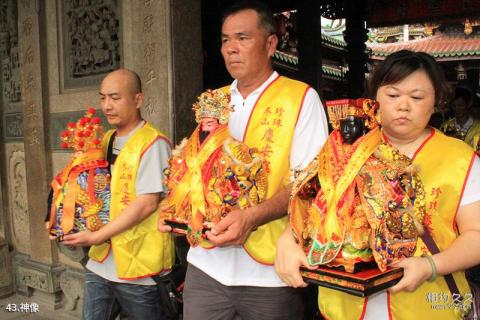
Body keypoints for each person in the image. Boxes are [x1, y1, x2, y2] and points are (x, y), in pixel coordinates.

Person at [276, 50, 480, 319]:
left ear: (436, 102)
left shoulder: (459, 158)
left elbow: (476, 235)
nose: (403, 106)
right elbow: (310, 207)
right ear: (375, 99)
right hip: (342, 308)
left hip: (427, 307)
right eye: (393, 95)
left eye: (417, 97)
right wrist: (286, 241)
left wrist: (431, 266)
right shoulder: (342, 148)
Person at [159, 1, 329, 319]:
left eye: (242, 38)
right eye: (225, 40)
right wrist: (175, 206)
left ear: (270, 43)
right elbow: (195, 170)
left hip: (269, 275)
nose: (231, 49)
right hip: (206, 268)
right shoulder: (214, 100)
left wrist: (251, 217)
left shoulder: (300, 98)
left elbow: (310, 184)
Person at [61, 69, 175, 320]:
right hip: (102, 260)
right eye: (102, 98)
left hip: (139, 265)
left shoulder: (153, 143)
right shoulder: (107, 139)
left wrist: (97, 235)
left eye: (115, 98)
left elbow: (147, 204)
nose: (107, 106)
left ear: (138, 100)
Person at [160, 89, 268, 247]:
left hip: (219, 202)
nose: (205, 125)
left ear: (220, 120)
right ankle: (184, 214)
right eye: (203, 121)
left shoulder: (233, 148)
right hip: (192, 213)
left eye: (210, 122)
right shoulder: (189, 146)